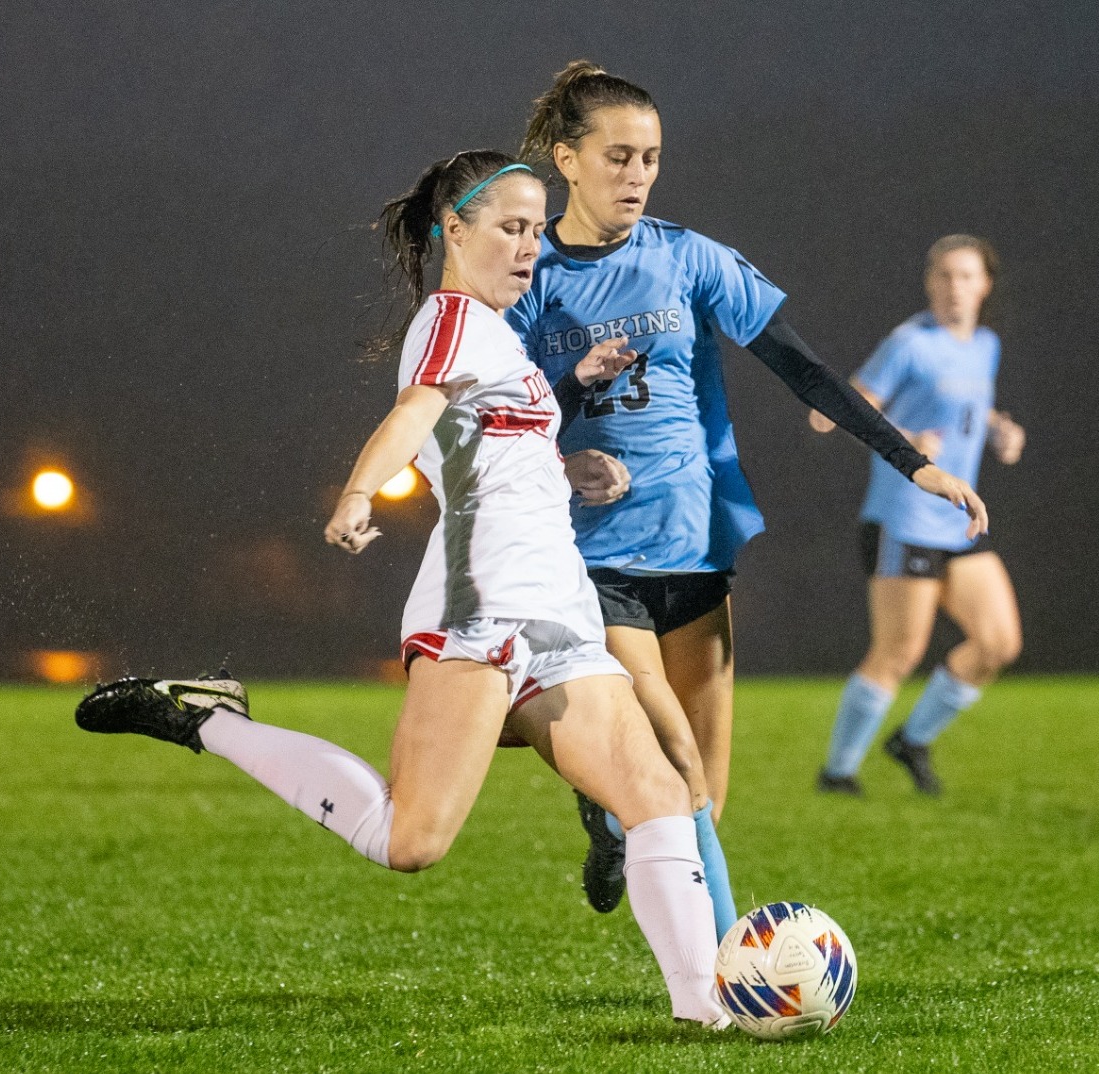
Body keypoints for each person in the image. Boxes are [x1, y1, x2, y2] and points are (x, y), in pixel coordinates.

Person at [73, 149, 728, 1028]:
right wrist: (355, 491)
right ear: (454, 230)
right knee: (409, 840)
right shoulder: (451, 316)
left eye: (537, 229)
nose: (530, 246)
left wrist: (570, 469)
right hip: (483, 607)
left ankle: (709, 1015)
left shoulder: (503, 341)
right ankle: (208, 718)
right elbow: (414, 415)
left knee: (656, 799)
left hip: (560, 611)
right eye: (510, 227)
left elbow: (480, 451)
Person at [507, 61, 989, 929]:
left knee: (706, 803)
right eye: (618, 157)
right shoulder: (527, 272)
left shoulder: (690, 258)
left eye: (650, 157)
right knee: (680, 764)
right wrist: (566, 433)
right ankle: (733, 968)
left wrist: (910, 460)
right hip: (590, 557)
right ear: (565, 160)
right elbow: (493, 416)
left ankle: (614, 815)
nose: (638, 176)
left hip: (694, 545)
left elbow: (802, 369)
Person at [811, 235, 1025, 797]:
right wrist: (905, 437)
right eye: (944, 276)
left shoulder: (985, 345)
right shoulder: (908, 343)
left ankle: (912, 739)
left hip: (958, 519)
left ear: (985, 285)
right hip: (903, 517)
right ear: (929, 283)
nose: (954, 287)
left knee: (998, 643)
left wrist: (999, 429)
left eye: (965, 276)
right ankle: (838, 773)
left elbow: (965, 407)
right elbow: (834, 412)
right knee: (899, 653)